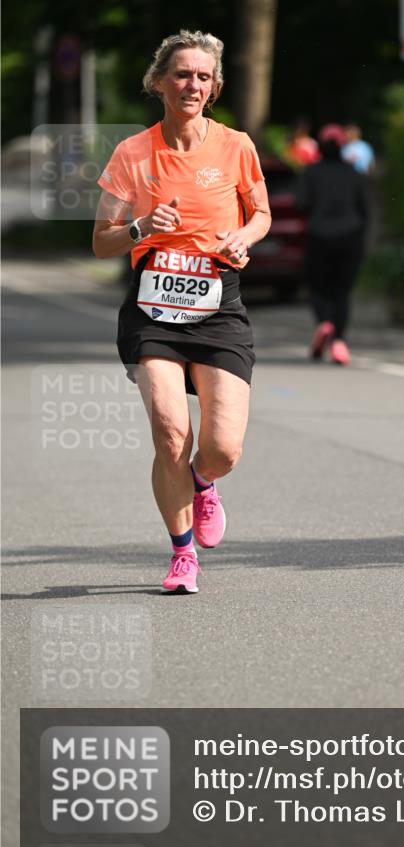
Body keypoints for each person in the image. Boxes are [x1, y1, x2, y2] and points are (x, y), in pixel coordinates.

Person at [93, 29, 271, 594]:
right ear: (159, 83)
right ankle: (182, 555)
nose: (191, 84)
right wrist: (143, 228)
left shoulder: (237, 145)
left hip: (219, 304)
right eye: (181, 74)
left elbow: (260, 213)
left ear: (213, 87)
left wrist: (242, 239)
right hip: (154, 310)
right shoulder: (133, 153)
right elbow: (102, 241)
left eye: (202, 76)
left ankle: (203, 482)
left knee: (222, 448)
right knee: (171, 433)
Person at [296, 124, 367, 365]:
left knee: (318, 289)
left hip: (318, 237)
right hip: (350, 238)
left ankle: (324, 323)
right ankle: (339, 343)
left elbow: (301, 204)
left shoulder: (310, 173)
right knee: (342, 292)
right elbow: (365, 210)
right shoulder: (354, 173)